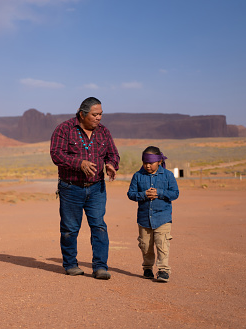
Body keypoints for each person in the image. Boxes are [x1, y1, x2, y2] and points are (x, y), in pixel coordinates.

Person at [50, 97, 120, 280]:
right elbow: (56, 154)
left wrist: (111, 165)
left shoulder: (104, 132)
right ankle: (71, 264)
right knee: (70, 229)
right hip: (71, 188)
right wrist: (78, 163)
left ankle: (100, 267)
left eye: (101, 114)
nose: (99, 118)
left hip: (97, 188)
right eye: (95, 114)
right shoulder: (64, 129)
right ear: (82, 114)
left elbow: (113, 153)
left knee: (99, 226)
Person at [127, 146, 179, 282]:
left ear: (159, 162)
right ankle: (147, 268)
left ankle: (163, 270)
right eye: (145, 162)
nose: (147, 165)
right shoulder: (138, 176)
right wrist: (144, 194)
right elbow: (131, 194)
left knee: (162, 244)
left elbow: (175, 193)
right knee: (146, 246)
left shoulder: (168, 175)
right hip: (144, 218)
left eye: (151, 163)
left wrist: (159, 193)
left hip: (163, 217)